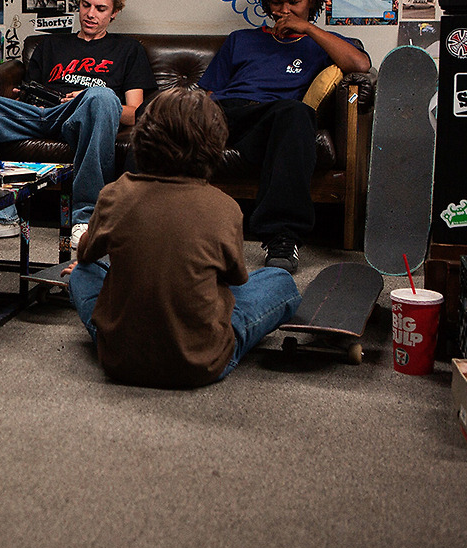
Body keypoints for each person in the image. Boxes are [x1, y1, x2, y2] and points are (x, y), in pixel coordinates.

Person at [65, 88, 302, 388]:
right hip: (201, 363)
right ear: (214, 147)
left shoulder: (115, 193)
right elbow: (236, 279)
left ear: (141, 138)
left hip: (119, 360)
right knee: (278, 280)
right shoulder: (225, 207)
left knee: (82, 272)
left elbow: (85, 253)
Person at [0, 0, 156, 246]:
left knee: (102, 97)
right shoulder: (51, 44)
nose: (90, 14)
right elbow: (29, 94)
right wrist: (23, 97)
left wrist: (86, 97)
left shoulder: (128, 49)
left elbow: (134, 114)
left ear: (114, 13)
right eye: (85, 5)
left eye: (100, 9)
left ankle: (86, 219)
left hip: (80, 116)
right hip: (39, 114)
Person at [198, 0, 371, 273]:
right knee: (160, 114)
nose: (285, 10)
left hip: (271, 121)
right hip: (227, 113)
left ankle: (282, 236)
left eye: (294, 1)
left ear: (312, 1)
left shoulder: (320, 44)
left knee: (296, 113)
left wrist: (308, 29)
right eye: (277, 2)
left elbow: (360, 65)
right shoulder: (240, 39)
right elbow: (209, 93)